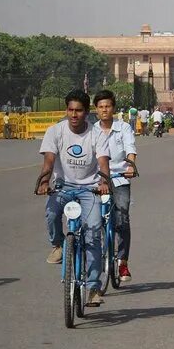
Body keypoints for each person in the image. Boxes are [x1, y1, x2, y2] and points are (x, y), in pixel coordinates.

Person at [36, 90, 111, 306]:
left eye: (78, 111)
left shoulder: (97, 135)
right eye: (70, 110)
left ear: (87, 113)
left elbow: (103, 161)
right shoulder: (55, 131)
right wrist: (43, 182)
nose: (74, 115)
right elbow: (49, 161)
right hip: (63, 186)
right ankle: (58, 245)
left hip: (90, 189)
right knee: (51, 213)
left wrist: (104, 182)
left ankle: (93, 287)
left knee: (94, 232)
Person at [93, 90, 137, 282]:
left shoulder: (124, 128)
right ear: (96, 110)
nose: (105, 110)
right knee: (92, 222)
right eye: (101, 107)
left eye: (108, 106)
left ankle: (123, 261)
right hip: (96, 180)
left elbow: (130, 149)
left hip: (119, 177)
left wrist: (130, 165)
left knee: (122, 218)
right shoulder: (91, 130)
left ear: (113, 108)